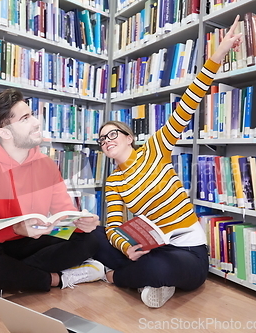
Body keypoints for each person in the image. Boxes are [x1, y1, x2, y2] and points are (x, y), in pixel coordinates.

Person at [91, 16, 243, 308]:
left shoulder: (155, 148)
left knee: (158, 269)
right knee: (94, 237)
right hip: (151, 248)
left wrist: (218, 55)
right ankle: (139, 278)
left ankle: (114, 277)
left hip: (186, 251)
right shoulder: (113, 181)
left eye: (112, 134)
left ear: (128, 137)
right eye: (101, 140)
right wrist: (126, 246)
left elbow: (189, 102)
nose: (107, 140)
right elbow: (112, 226)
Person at [0, 88, 105, 309]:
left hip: (33, 240)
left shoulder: (47, 165)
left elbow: (64, 214)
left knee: (93, 238)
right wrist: (12, 230)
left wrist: (80, 223)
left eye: (31, 114)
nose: (36, 122)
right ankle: (58, 279)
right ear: (5, 133)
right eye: (25, 118)